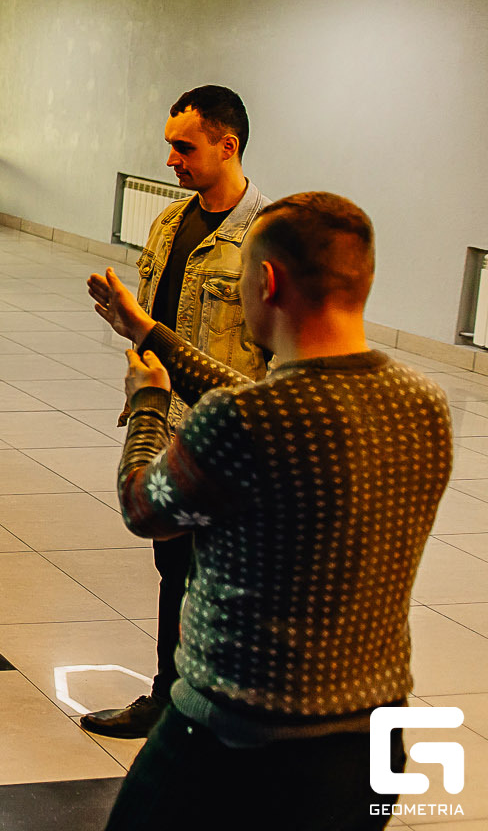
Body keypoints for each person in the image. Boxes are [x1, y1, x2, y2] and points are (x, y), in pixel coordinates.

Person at [88, 193, 450, 829]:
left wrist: (148, 403)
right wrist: (149, 331)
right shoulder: (423, 402)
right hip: (370, 743)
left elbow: (144, 507)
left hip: (232, 744)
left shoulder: (244, 421)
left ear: (266, 281)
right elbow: (273, 403)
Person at [80, 85, 271, 739]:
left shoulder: (265, 240)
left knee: (219, 579)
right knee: (173, 568)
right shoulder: (168, 223)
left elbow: (276, 359)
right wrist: (125, 322)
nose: (170, 160)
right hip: (168, 428)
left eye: (184, 147)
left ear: (228, 145)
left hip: (228, 438)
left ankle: (213, 709)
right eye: (169, 146)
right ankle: (169, 698)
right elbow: (158, 322)